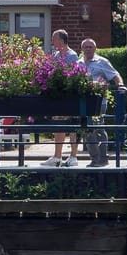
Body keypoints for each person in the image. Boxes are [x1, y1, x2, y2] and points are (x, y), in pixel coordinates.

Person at [77, 38, 126, 166]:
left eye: (90, 47)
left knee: (98, 127)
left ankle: (103, 158)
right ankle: (94, 159)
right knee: (86, 129)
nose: (88, 49)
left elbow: (115, 75)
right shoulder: (78, 63)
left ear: (95, 48)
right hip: (84, 101)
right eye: (86, 47)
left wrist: (120, 84)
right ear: (82, 49)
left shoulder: (102, 62)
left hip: (99, 100)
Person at [45, 29, 79, 166]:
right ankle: (57, 156)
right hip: (58, 96)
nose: (52, 42)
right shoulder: (56, 55)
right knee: (58, 124)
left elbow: (73, 73)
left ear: (61, 40)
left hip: (69, 95)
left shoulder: (72, 55)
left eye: (54, 39)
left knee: (72, 126)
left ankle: (73, 156)